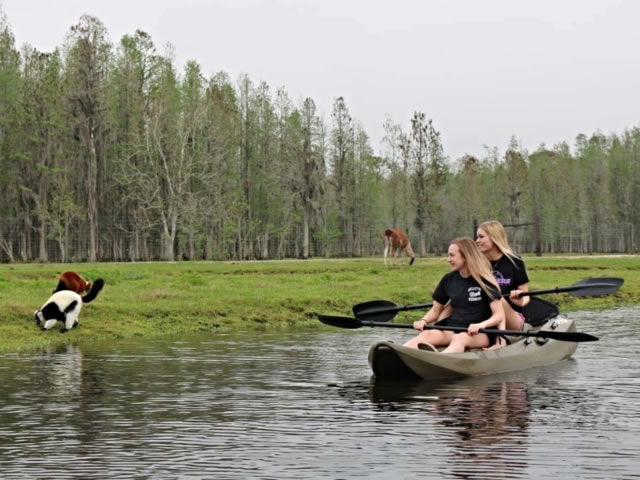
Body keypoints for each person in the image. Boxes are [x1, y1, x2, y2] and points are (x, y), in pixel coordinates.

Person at [403, 237, 504, 353]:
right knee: (427, 334)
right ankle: (399, 353)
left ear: (466, 257)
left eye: (452, 255)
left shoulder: (485, 281)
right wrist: (423, 320)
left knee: (460, 338)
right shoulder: (448, 279)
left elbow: (499, 315)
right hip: (452, 329)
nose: (448, 259)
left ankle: (438, 360)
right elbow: (435, 311)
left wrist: (481, 325)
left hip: (480, 333)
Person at [475, 220, 530, 347]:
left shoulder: (515, 261)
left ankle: (501, 341)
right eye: (477, 236)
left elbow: (526, 296)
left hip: (512, 318)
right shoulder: (477, 264)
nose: (477, 241)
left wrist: (520, 300)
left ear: (494, 238)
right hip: (483, 314)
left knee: (495, 296)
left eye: (481, 237)